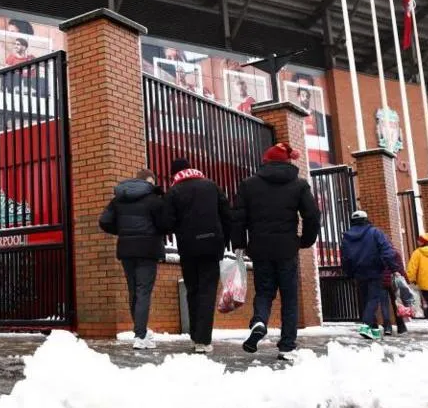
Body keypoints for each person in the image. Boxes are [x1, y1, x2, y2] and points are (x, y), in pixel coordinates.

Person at [233, 143, 320, 360]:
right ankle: (287, 346)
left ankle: (259, 321)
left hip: (260, 248)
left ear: (266, 161)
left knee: (264, 292)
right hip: (287, 249)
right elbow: (312, 215)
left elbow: (237, 218)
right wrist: (305, 241)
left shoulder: (248, 185)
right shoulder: (299, 185)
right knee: (289, 297)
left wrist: (240, 244)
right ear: (287, 161)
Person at [162, 158, 231, 353]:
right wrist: (224, 241)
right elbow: (227, 215)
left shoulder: (174, 191)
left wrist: (181, 230)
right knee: (207, 291)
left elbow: (166, 222)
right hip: (212, 246)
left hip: (188, 248)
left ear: (175, 173)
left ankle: (195, 336)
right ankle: (203, 340)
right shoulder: (211, 186)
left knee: (192, 290)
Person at [99, 169, 167, 350]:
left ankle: (140, 330)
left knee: (133, 291)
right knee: (143, 291)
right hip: (147, 250)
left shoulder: (119, 199)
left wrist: (123, 232)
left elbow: (104, 221)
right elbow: (165, 224)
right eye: (152, 181)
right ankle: (140, 335)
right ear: (147, 181)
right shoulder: (153, 199)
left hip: (126, 250)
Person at [341, 210, 399, 341]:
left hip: (358, 272)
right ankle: (366, 325)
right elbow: (387, 251)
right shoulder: (375, 232)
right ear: (366, 219)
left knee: (365, 300)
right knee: (373, 299)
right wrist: (393, 268)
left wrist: (349, 273)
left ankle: (373, 330)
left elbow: (345, 258)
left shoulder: (347, 237)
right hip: (374, 270)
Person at [381, 249, 408, 335]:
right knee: (397, 303)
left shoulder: (377, 253)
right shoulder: (395, 253)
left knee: (384, 305)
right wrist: (405, 279)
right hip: (394, 282)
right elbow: (400, 268)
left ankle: (387, 327)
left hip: (381, 282)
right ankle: (401, 326)